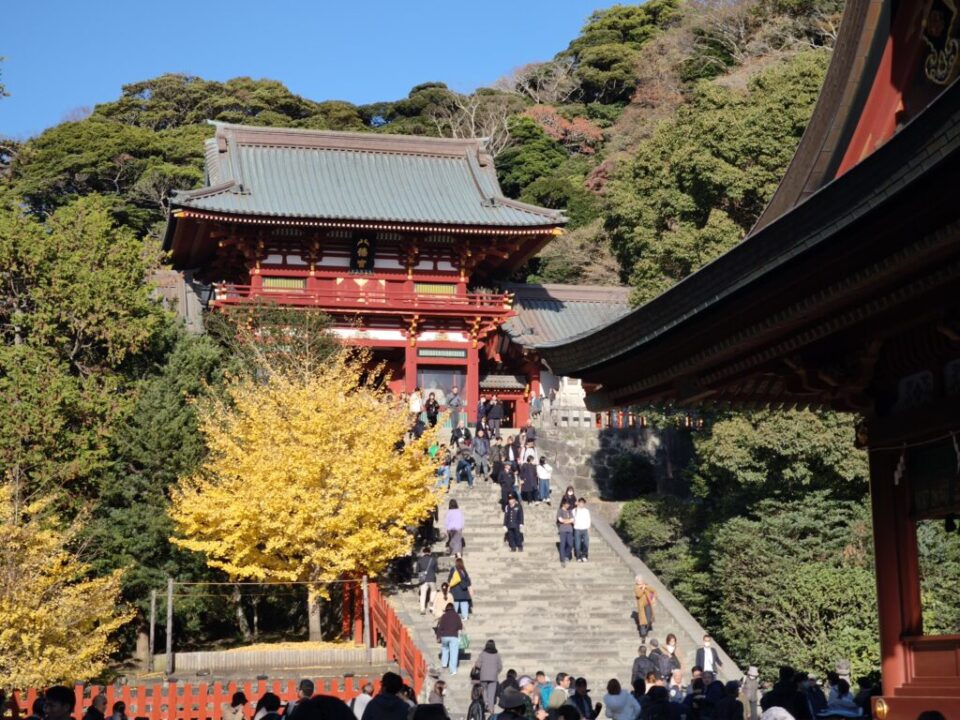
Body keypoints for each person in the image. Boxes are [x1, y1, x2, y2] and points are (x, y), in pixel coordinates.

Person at [474, 639, 504, 711]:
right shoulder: (497, 655)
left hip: (483, 676)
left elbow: (478, 664)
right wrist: (496, 672)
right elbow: (500, 666)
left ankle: (486, 702)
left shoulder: (483, 654)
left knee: (484, 689)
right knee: (492, 693)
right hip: (493, 677)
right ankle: (491, 709)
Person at [416, 547, 439, 615]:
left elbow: (417, 570)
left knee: (423, 594)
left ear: (423, 552)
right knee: (434, 591)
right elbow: (436, 570)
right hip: (431, 578)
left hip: (423, 579)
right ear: (430, 552)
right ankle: (431, 604)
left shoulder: (420, 560)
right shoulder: (433, 560)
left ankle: (422, 609)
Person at [556, 498, 575, 566]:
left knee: (570, 544)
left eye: (568, 504)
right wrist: (568, 521)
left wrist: (566, 521)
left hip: (569, 530)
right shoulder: (560, 511)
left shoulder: (570, 511)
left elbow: (572, 519)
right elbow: (560, 520)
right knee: (562, 544)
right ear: (563, 504)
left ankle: (566, 555)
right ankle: (562, 559)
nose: (567, 505)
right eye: (566, 504)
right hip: (563, 530)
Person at [573, 497, 591, 562]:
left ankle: (584, 555)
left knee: (586, 544)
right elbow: (572, 518)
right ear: (578, 503)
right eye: (580, 503)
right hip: (577, 529)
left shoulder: (586, 511)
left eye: (583, 503)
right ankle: (578, 557)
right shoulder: (574, 510)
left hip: (585, 529)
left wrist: (589, 527)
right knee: (577, 544)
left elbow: (588, 520)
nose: (581, 504)